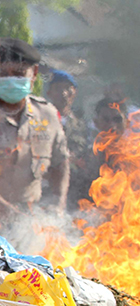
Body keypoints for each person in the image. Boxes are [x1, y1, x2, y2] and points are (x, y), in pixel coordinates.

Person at [0, 38, 70, 224]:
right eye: (3, 73)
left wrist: (58, 204)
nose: (10, 80)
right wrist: (2, 207)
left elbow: (60, 163)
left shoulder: (47, 114)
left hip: (30, 219)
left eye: (18, 74)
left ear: (34, 74)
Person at [45, 69, 93, 211]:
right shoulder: (41, 121)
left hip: (75, 186)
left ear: (75, 93)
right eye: (58, 88)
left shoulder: (81, 125)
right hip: (47, 183)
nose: (64, 93)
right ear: (49, 93)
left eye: (68, 89)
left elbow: (85, 153)